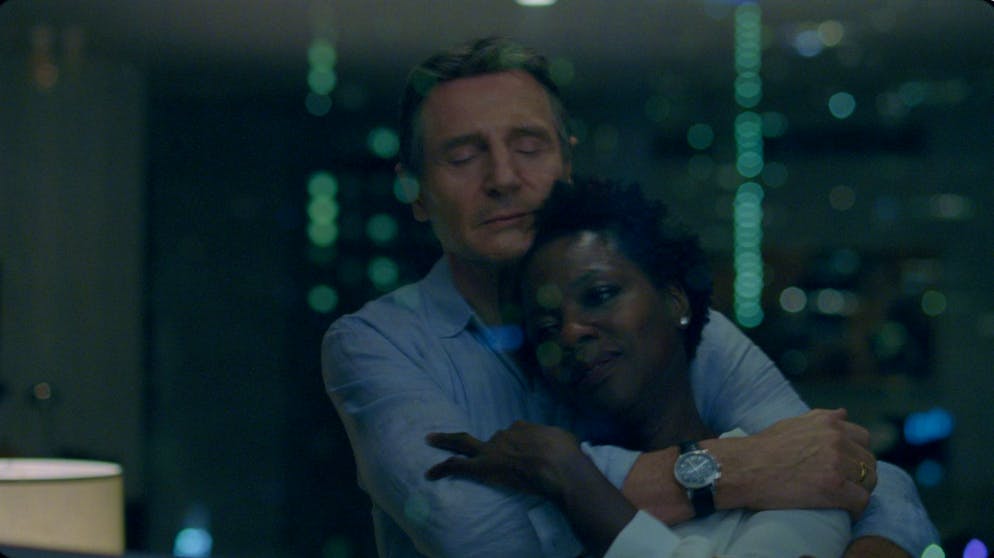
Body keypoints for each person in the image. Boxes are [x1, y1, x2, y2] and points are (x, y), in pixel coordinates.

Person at [321, 36, 937, 557]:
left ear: (567, 164)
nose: (504, 177)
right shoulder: (377, 343)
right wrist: (738, 468)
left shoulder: (651, 315)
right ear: (415, 190)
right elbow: (478, 538)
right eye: (462, 156)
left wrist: (572, 479)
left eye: (529, 147)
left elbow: (862, 475)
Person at [424, 178, 852, 557]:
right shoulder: (531, 493)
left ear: (675, 301)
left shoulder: (793, 477)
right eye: (546, 327)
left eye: (600, 295)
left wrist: (574, 479)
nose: (570, 332)